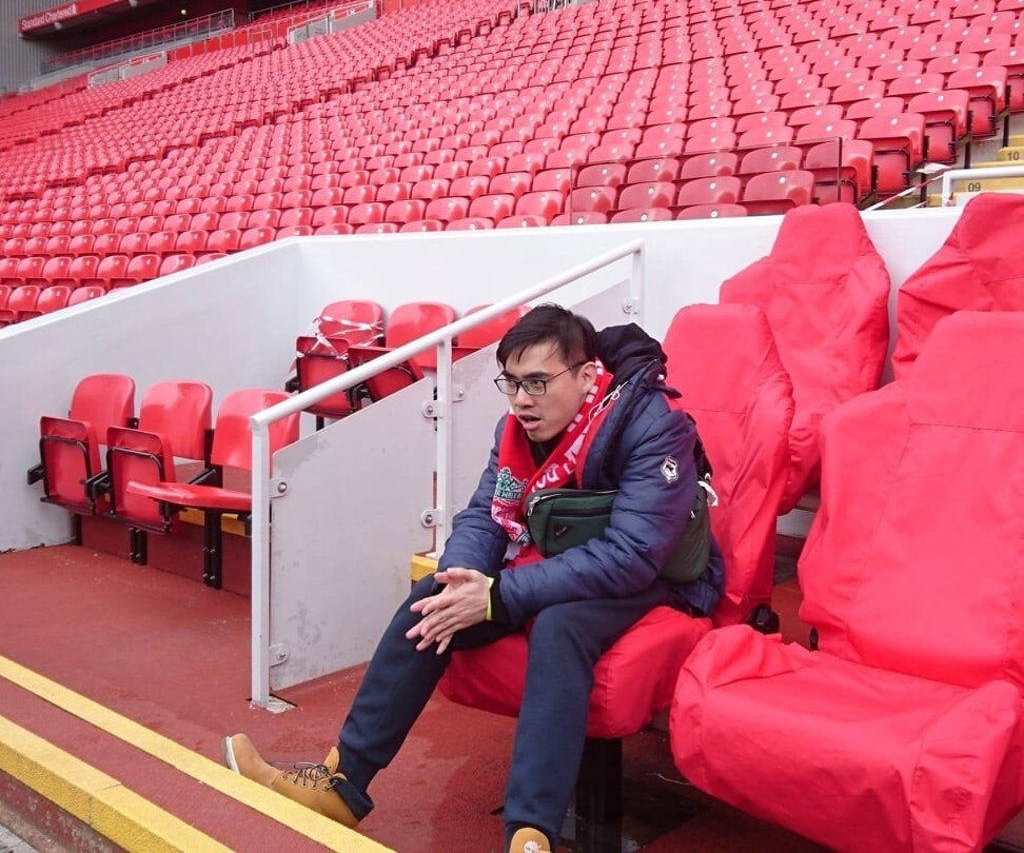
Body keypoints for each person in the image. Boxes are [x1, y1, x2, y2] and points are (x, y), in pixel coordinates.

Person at [225, 304, 724, 853]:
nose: (522, 401)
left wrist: (498, 594)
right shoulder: (517, 429)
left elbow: (633, 553)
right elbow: (485, 515)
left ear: (586, 377)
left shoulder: (651, 422)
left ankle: (529, 832)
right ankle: (341, 786)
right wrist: (461, 580)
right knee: (430, 601)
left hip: (654, 575)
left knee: (563, 625)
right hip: (565, 558)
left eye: (538, 383)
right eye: (511, 383)